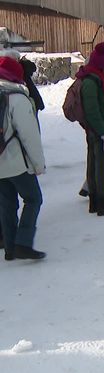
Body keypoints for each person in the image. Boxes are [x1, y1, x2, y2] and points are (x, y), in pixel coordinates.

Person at [0, 56, 46, 260]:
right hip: (16, 162)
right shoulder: (17, 99)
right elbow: (30, 136)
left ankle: (10, 248)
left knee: (7, 204)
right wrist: (38, 164)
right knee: (33, 198)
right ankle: (24, 242)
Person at [78, 42, 104, 216]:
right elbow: (92, 110)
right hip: (98, 131)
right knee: (100, 165)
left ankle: (96, 200)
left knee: (95, 164)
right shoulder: (91, 81)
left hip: (96, 129)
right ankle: (101, 201)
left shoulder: (95, 78)